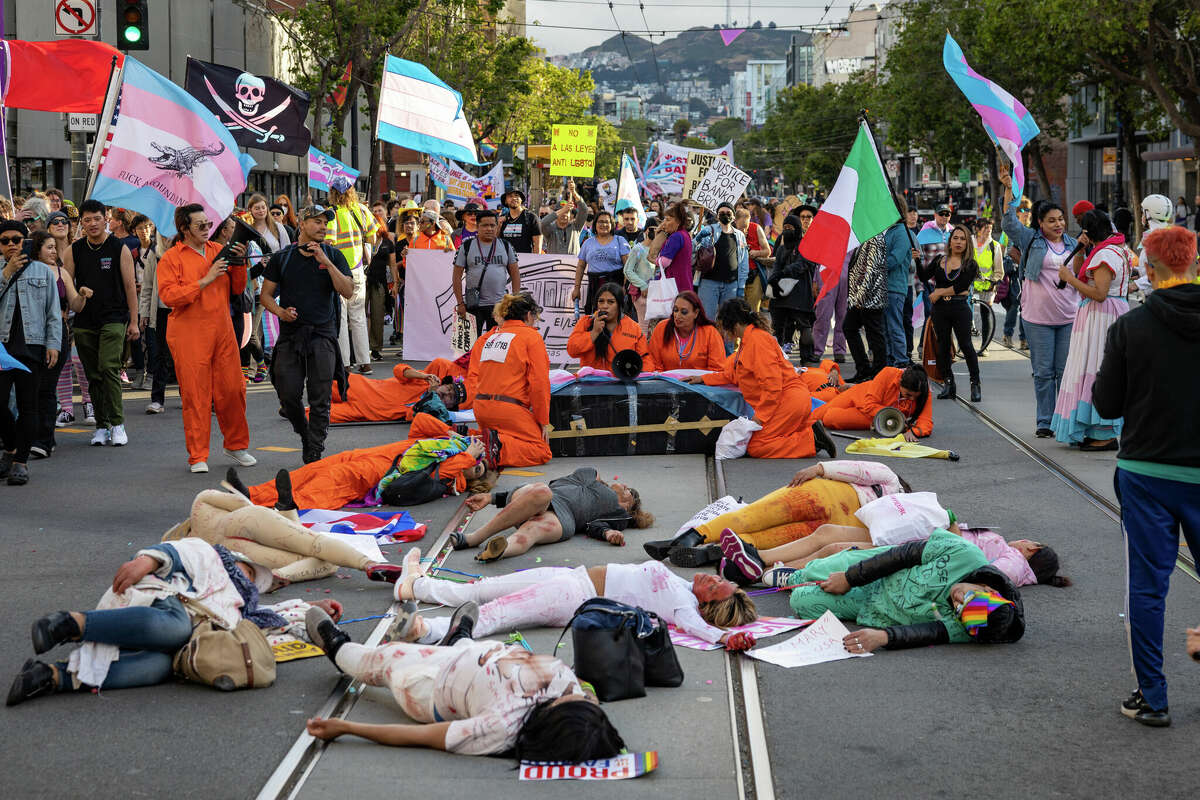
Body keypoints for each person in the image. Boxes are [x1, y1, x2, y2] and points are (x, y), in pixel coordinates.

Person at [5, 538, 342, 706]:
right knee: (176, 626)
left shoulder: (240, 608)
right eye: (250, 571)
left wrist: (313, 605)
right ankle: (69, 624)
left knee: (157, 669)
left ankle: (49, 677)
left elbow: (277, 616)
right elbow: (180, 551)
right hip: (164, 600)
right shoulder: (212, 556)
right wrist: (148, 560)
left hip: (181, 638)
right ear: (238, 560)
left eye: (256, 581)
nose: (250, 580)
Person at [1092, 225, 1200, 728]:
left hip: (1147, 472)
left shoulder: (1131, 328)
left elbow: (1107, 403)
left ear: (1150, 270)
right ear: (1193, 264)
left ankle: (1153, 697)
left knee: (1148, 587)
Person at [303, 608, 626, 761]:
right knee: (465, 649)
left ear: (552, 721)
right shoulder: (576, 697)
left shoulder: (500, 728)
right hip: (476, 657)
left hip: (430, 687)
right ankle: (459, 637)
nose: (570, 692)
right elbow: (583, 692)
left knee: (378, 661)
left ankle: (336, 646)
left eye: (570, 701)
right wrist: (586, 695)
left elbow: (422, 736)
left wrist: (348, 728)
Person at [390, 550, 757, 650]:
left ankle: (424, 631)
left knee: (496, 614)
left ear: (708, 605)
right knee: (483, 588)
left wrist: (725, 638)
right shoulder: (682, 585)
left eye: (716, 586)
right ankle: (417, 588)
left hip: (574, 596)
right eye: (720, 578)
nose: (713, 577)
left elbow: (695, 628)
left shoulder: (685, 607)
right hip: (572, 579)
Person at [776, 530, 1025, 652]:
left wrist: (882, 637)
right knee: (818, 571)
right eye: (968, 597)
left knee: (801, 601)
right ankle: (788, 574)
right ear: (987, 587)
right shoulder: (966, 553)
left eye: (959, 610)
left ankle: (795, 582)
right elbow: (903, 555)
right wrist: (850, 578)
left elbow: (928, 632)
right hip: (880, 570)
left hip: (875, 608)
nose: (957, 600)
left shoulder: (976, 625)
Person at [646, 459, 910, 564]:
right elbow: (858, 470)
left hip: (826, 511)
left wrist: (819, 470)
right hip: (824, 498)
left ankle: (704, 548)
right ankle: (688, 543)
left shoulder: (904, 520)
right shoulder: (891, 480)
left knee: (761, 530)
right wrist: (819, 469)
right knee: (755, 519)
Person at [154, 206, 254, 474]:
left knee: (233, 389)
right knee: (196, 395)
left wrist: (240, 263)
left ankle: (235, 445)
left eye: (208, 223)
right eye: (200, 225)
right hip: (188, 332)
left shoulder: (216, 250)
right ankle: (198, 455)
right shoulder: (171, 258)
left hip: (221, 329)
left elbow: (237, 289)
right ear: (184, 229)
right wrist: (205, 279)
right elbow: (169, 297)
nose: (207, 228)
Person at [169, 476, 416, 584]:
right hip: (243, 520)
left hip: (238, 551)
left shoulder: (194, 552)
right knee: (314, 544)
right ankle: (368, 564)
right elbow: (241, 503)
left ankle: (284, 576)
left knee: (318, 560)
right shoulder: (200, 503)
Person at [242, 412, 493, 512]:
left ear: (474, 481)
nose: (474, 463)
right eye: (477, 461)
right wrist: (450, 433)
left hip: (379, 471)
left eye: (478, 468)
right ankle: (254, 494)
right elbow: (420, 423)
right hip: (371, 454)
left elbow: (445, 470)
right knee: (314, 469)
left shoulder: (455, 475)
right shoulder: (448, 448)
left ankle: (289, 505)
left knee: (333, 481)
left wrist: (468, 456)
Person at [260, 205, 354, 463]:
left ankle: (314, 451)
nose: (323, 226)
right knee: (288, 395)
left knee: (320, 397)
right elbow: (265, 295)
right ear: (302, 223)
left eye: (326, 222)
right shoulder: (284, 257)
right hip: (291, 336)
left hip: (323, 335)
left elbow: (347, 291)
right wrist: (280, 312)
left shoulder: (333, 254)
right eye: (317, 221)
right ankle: (306, 435)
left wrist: (325, 262)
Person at [688, 298, 835, 461]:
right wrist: (703, 378)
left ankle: (811, 440)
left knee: (757, 446)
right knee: (758, 442)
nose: (724, 334)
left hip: (788, 401)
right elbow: (734, 375)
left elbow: (772, 386)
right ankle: (808, 432)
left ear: (735, 325)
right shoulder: (749, 340)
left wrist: (759, 418)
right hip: (786, 401)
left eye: (724, 328)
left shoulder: (757, 341)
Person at [1000, 162, 1079, 437]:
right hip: (1037, 318)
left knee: (1063, 373)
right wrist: (1009, 191)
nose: (1058, 224)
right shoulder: (1030, 239)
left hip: (1068, 317)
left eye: (1060, 219)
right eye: (1052, 220)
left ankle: (1062, 420)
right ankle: (1045, 421)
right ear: (1040, 223)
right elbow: (1008, 222)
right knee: (1043, 373)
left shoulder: (1073, 243)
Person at [450, 466, 654, 562]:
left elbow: (598, 526)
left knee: (532, 530)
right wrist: (491, 498)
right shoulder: (591, 476)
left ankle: (498, 551)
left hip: (564, 518)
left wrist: (608, 534)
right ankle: (475, 538)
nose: (625, 486)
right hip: (540, 497)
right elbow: (529, 499)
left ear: (627, 506)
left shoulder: (618, 513)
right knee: (541, 492)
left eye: (629, 492)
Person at [1049, 209, 1131, 450]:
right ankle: (1092, 428)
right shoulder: (1110, 248)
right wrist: (1080, 250)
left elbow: (1099, 293)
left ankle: (1103, 432)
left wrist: (1068, 278)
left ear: (1089, 231)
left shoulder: (1106, 253)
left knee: (1097, 370)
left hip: (1102, 317)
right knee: (1090, 369)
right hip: (1099, 317)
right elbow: (1083, 273)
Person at [61, 198, 139, 447]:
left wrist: (134, 322)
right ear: (81, 223)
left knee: (108, 368)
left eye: (97, 218)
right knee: (92, 374)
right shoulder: (73, 250)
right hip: (84, 320)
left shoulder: (119, 248)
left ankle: (118, 424)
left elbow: (130, 287)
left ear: (106, 218)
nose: (93, 224)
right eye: (87, 220)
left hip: (114, 318)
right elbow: (65, 285)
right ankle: (102, 426)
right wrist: (74, 298)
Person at [0, 224, 62, 485]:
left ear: (26, 242)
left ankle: (20, 461)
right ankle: (12, 446)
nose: (12, 244)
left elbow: (52, 311)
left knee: (29, 406)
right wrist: (6, 273)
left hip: (32, 348)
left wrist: (53, 344)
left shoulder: (43, 272)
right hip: (2, 349)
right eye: (5, 241)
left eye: (17, 239)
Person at [472, 293, 553, 468]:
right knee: (541, 450)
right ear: (529, 315)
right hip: (508, 411)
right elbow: (539, 384)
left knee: (506, 435)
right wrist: (543, 421)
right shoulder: (531, 337)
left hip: (481, 409)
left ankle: (474, 442)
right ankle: (496, 449)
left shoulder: (492, 337)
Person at [29, 225, 83, 460]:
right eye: (49, 247)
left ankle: (45, 440)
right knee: (30, 388)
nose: (54, 251)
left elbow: (76, 304)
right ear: (36, 249)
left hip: (58, 333)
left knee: (47, 387)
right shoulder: (27, 270)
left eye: (55, 247)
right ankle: (31, 435)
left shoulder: (62, 273)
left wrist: (82, 296)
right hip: (30, 335)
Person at [917, 224, 982, 401]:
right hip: (940, 310)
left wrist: (938, 292)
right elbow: (923, 276)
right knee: (943, 346)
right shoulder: (939, 260)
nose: (959, 242)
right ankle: (948, 383)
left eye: (963, 239)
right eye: (956, 238)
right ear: (950, 241)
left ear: (967, 242)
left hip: (960, 308)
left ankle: (975, 383)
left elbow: (962, 286)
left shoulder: (970, 264)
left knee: (966, 345)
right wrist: (916, 259)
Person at [325, 176, 378, 374]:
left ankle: (345, 364)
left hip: (340, 271)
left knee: (341, 317)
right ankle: (365, 363)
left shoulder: (332, 214)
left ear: (333, 193)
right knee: (358, 317)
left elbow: (329, 243)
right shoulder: (363, 210)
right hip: (358, 270)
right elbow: (372, 236)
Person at [809, 364, 932, 439]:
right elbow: (870, 404)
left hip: (873, 416)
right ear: (900, 384)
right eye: (908, 395)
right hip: (859, 396)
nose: (912, 400)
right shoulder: (888, 373)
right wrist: (893, 416)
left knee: (829, 419)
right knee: (816, 416)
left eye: (916, 397)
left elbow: (926, 422)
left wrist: (914, 432)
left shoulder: (924, 391)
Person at [452, 209, 520, 337]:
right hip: (473, 305)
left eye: (492, 225)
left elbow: (515, 274)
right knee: (471, 344)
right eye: (485, 225)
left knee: (495, 343)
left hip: (499, 306)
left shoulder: (506, 246)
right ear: (477, 227)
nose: (489, 229)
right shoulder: (466, 246)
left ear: (497, 226)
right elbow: (456, 276)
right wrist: (460, 303)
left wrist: (515, 300)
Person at [246, 193, 289, 381]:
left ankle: (278, 364)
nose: (261, 210)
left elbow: (287, 251)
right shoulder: (249, 230)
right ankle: (254, 367)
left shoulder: (278, 228)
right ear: (251, 210)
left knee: (276, 324)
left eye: (263, 207)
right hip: (257, 281)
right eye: (257, 208)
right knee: (255, 329)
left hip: (277, 280)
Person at [328, 362, 459, 423]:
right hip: (357, 387)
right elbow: (398, 370)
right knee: (317, 381)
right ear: (445, 384)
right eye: (449, 389)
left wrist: (431, 396)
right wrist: (422, 376)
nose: (446, 394)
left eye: (451, 397)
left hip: (360, 412)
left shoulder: (436, 412)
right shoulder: (424, 380)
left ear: (450, 406)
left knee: (314, 416)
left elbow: (412, 415)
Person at [566, 281, 650, 371]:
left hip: (621, 382)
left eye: (611, 302)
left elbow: (645, 360)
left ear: (619, 305)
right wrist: (594, 333)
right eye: (601, 301)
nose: (605, 306)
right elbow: (572, 351)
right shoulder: (586, 322)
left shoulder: (634, 328)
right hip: (591, 382)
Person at [768, 211, 818, 357]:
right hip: (781, 294)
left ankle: (807, 358)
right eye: (786, 227)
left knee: (804, 327)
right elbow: (776, 265)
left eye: (791, 227)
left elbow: (803, 264)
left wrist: (785, 272)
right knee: (777, 327)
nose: (787, 230)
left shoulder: (806, 245)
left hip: (800, 293)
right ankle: (777, 358)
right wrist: (774, 278)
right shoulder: (782, 248)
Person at [842, 233, 889, 381]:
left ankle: (878, 374)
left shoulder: (876, 238)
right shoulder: (865, 237)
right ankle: (864, 370)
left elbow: (871, 270)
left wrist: (859, 298)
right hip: (861, 297)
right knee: (850, 328)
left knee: (874, 335)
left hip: (870, 298)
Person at [138, 230, 173, 415]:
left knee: (182, 356)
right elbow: (148, 285)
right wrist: (143, 313)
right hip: (159, 311)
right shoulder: (154, 253)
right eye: (165, 235)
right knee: (159, 356)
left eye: (172, 235)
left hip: (182, 312)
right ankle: (157, 399)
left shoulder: (186, 252)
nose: (168, 239)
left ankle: (190, 396)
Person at [694, 202, 747, 323]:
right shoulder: (709, 230)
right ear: (717, 216)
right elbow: (693, 248)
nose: (725, 215)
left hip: (731, 285)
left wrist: (741, 286)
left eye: (728, 213)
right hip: (709, 283)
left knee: (728, 321)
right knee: (707, 320)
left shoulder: (739, 236)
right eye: (721, 213)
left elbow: (743, 263)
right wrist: (698, 239)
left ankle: (726, 343)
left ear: (733, 216)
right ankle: (708, 342)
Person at [646, 291, 727, 371]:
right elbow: (654, 363)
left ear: (696, 313)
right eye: (675, 310)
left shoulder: (710, 333)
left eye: (684, 312)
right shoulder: (661, 328)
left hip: (701, 383)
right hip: (665, 382)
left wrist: (701, 379)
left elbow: (717, 369)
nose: (677, 315)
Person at [570, 211, 630, 313]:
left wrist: (625, 287)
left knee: (614, 317)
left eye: (607, 222)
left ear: (612, 225)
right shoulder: (588, 243)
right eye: (600, 222)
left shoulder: (620, 241)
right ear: (595, 224)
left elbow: (628, 267)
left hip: (616, 286)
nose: (604, 225)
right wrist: (577, 288)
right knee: (595, 318)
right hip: (595, 287)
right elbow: (580, 266)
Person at [883, 199, 919, 367]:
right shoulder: (891, 230)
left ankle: (901, 362)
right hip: (886, 287)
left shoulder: (901, 232)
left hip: (894, 288)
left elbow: (895, 260)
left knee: (894, 326)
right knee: (887, 328)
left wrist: (873, 265)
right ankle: (890, 361)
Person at [971, 217, 1004, 356]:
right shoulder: (969, 242)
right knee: (965, 312)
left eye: (990, 229)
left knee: (986, 314)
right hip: (970, 283)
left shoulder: (994, 245)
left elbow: (999, 270)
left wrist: (994, 282)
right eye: (985, 229)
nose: (988, 232)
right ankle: (966, 343)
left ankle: (985, 346)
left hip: (987, 284)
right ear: (977, 230)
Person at [648, 202, 694, 294]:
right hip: (683, 282)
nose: (664, 223)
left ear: (678, 222)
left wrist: (652, 259)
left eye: (668, 220)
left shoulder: (676, 236)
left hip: (674, 284)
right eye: (664, 219)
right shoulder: (685, 234)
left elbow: (664, 262)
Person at [623, 223, 657, 334]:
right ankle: (643, 351)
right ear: (646, 230)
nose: (655, 232)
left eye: (659, 230)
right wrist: (642, 285)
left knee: (655, 329)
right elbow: (627, 270)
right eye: (653, 229)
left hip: (657, 294)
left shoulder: (661, 250)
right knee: (644, 327)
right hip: (642, 294)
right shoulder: (638, 249)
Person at [740, 207, 773, 314]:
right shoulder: (731, 229)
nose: (744, 231)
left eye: (746, 227)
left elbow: (767, 251)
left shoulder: (756, 228)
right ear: (735, 222)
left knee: (753, 311)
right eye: (741, 228)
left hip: (754, 274)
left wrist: (756, 253)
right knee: (739, 311)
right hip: (737, 276)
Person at [539, 189, 587, 256]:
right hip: (554, 265)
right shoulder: (550, 229)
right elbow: (542, 223)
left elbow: (584, 210)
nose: (564, 214)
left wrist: (574, 193)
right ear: (556, 214)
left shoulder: (576, 226)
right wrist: (564, 209)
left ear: (571, 215)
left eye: (567, 212)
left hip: (573, 265)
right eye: (562, 212)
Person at [499, 189, 541, 254]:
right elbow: (495, 241)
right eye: (510, 196)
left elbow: (537, 244)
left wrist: (535, 261)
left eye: (517, 195)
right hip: (506, 260)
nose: (514, 198)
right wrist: (498, 225)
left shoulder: (531, 217)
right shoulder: (501, 219)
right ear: (505, 201)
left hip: (526, 260)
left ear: (521, 200)